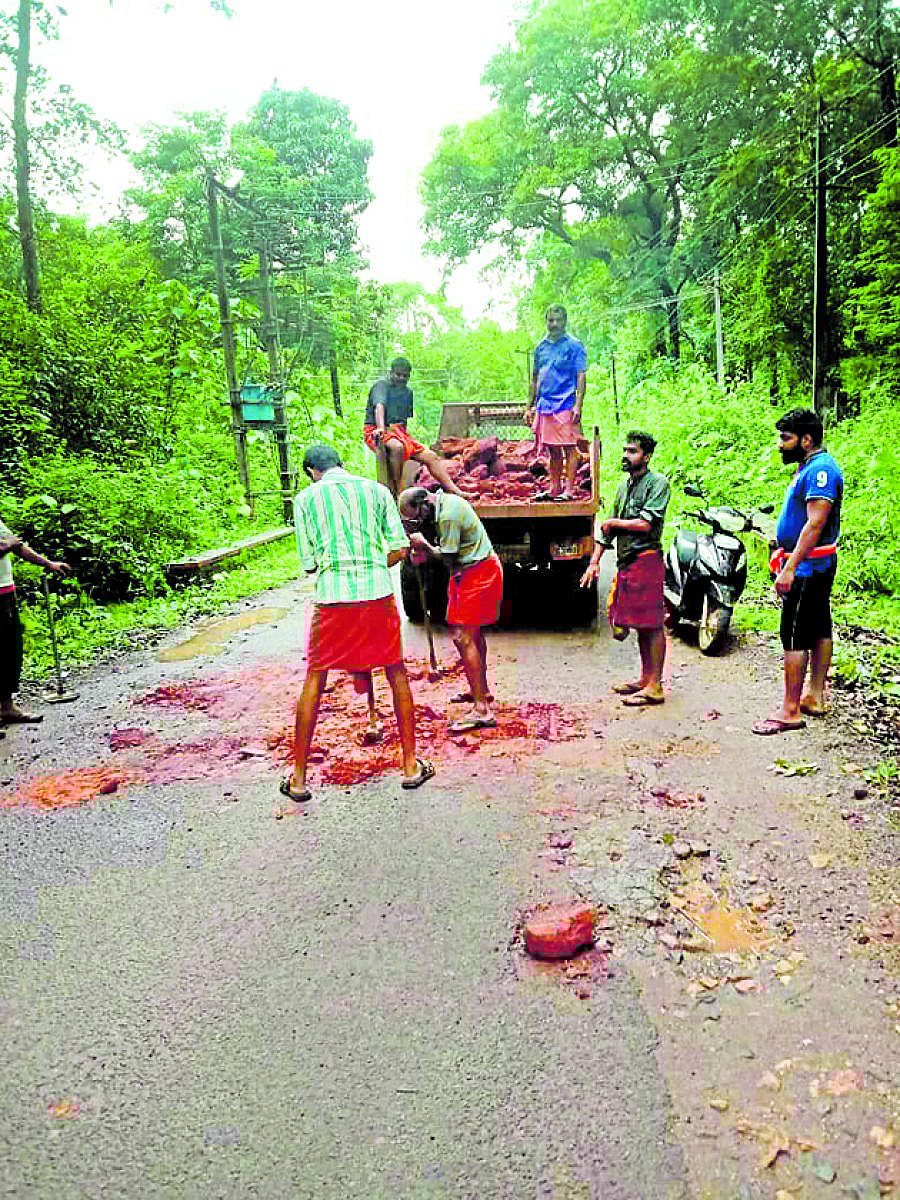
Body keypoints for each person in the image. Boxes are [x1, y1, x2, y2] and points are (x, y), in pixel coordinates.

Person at [283, 443, 435, 802]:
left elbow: (309, 564)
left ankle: (300, 779)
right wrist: (368, 566)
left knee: (316, 676)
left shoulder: (305, 500)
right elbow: (400, 549)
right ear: (342, 463)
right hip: (376, 595)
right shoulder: (377, 491)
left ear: (311, 472)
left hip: (333, 599)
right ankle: (411, 766)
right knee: (395, 672)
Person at [752, 408, 843, 736]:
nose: (780, 445)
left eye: (786, 438)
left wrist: (789, 568)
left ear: (806, 440)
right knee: (819, 626)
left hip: (807, 567)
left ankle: (790, 710)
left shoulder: (822, 472)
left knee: (794, 633)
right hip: (812, 564)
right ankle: (814, 696)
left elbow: (815, 523)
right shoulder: (812, 467)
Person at [398, 486, 503, 734]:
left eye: (416, 516)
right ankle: (481, 691)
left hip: (479, 573)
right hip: (465, 573)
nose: (418, 522)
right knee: (472, 635)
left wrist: (424, 545)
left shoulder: (448, 516)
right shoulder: (441, 505)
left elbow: (447, 558)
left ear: (424, 504)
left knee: (463, 637)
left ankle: (482, 710)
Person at [580, 431, 671, 707]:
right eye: (625, 450)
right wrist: (595, 561)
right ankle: (645, 679)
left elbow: (645, 524)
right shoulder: (624, 486)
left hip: (647, 559)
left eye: (632, 451)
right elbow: (607, 529)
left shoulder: (658, 484)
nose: (626, 455)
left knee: (653, 624)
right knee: (639, 625)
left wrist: (615, 524)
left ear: (647, 456)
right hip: (627, 562)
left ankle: (656, 686)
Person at [0, 515, 71, 728]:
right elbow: (9, 544)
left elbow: (18, 547)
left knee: (9, 650)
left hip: (6, 591)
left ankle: (6, 706)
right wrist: (7, 544)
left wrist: (49, 564)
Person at [363, 357, 464, 500]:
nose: (401, 378)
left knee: (431, 456)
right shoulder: (382, 386)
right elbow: (380, 406)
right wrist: (380, 428)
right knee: (397, 448)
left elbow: (403, 421)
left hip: (398, 432)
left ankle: (455, 490)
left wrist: (407, 440)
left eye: (405, 376)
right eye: (398, 374)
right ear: (391, 373)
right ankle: (399, 491)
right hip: (376, 429)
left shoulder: (407, 393)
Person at [525, 305, 588, 501]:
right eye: (551, 320)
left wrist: (578, 405)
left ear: (565, 322)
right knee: (552, 449)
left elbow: (581, 375)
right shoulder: (541, 348)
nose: (554, 324)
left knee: (569, 447)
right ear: (547, 322)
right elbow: (534, 379)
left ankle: (569, 489)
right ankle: (554, 488)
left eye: (558, 320)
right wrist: (529, 406)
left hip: (566, 402)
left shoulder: (574, 346)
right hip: (545, 404)